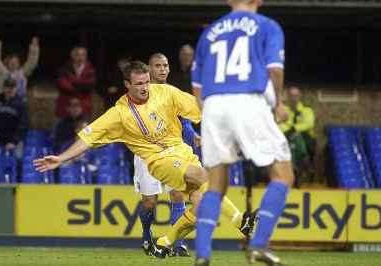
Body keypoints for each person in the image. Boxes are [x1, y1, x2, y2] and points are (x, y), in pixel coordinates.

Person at [33, 61, 256, 258]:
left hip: (183, 152)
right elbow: (87, 138)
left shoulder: (165, 92)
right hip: (159, 160)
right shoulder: (119, 114)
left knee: (201, 206)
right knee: (204, 176)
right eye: (138, 84)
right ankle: (240, 221)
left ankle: (164, 242)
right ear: (127, 85)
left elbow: (200, 108)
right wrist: (61, 159)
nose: (144, 88)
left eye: (146, 82)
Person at [191, 1, 294, 265]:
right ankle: (259, 244)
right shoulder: (267, 26)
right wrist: (279, 104)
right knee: (282, 174)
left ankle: (202, 254)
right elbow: (275, 70)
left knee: (215, 185)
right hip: (248, 99)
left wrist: (213, 118)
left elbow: (197, 90)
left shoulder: (209, 32)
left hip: (213, 106)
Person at [135, 53, 200, 257]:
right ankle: (147, 233)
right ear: (149, 69)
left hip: (173, 151)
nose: (162, 69)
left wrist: (193, 136)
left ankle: (177, 243)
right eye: (157, 65)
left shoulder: (173, 93)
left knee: (177, 194)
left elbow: (185, 122)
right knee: (149, 202)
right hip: (147, 154)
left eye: (165, 65)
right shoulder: (139, 93)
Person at [279, 86, 316, 186]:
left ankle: (296, 168)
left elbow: (309, 124)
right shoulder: (284, 110)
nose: (293, 98)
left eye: (296, 96)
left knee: (295, 137)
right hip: (289, 137)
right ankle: (303, 163)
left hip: (306, 138)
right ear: (288, 97)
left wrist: (294, 128)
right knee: (291, 140)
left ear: (299, 96)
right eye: (291, 96)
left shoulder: (307, 110)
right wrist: (289, 130)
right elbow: (280, 123)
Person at [0, 78, 28, 156]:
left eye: (12, 87)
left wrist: (14, 141)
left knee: (18, 158)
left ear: (16, 88)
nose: (10, 90)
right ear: (4, 88)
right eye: (8, 87)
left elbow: (23, 125)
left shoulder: (21, 104)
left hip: (13, 138)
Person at [56, 45, 96, 118]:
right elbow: (62, 84)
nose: (80, 57)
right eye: (77, 54)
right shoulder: (64, 68)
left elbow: (89, 85)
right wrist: (79, 86)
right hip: (66, 106)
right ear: (72, 55)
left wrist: (72, 81)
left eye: (83, 55)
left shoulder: (91, 70)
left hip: (84, 106)